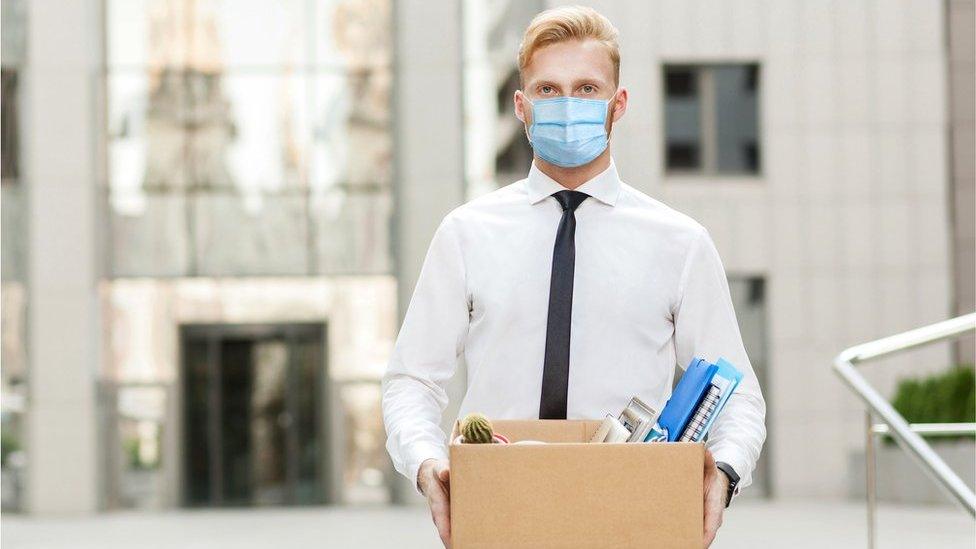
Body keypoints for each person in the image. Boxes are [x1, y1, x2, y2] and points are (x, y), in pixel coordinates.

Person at [382, 5, 765, 547]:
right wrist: (427, 465)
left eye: (587, 89)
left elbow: (740, 392)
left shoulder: (679, 242)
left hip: (632, 511)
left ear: (619, 103)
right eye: (548, 90)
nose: (567, 105)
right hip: (500, 507)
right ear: (521, 106)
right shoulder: (466, 234)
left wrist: (723, 474)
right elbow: (411, 380)